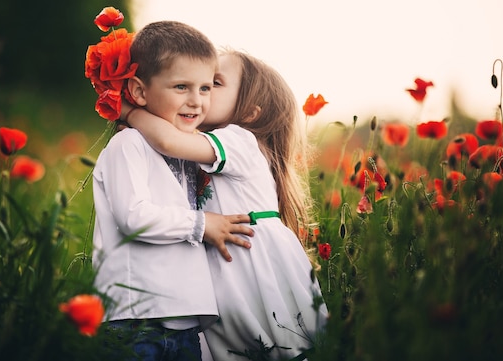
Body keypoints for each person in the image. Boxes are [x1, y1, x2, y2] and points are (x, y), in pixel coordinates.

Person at [121, 48, 329, 360]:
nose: (200, 89)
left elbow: (167, 140)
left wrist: (131, 112)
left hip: (250, 256)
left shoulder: (240, 139)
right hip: (229, 262)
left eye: (213, 83)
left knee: (279, 343)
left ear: (250, 113)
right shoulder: (211, 145)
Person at [92, 21, 255, 361]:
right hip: (135, 320)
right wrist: (202, 224)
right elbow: (133, 217)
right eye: (181, 86)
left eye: (206, 88)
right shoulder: (129, 144)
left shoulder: (186, 152)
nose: (196, 101)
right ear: (139, 92)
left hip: (183, 324)